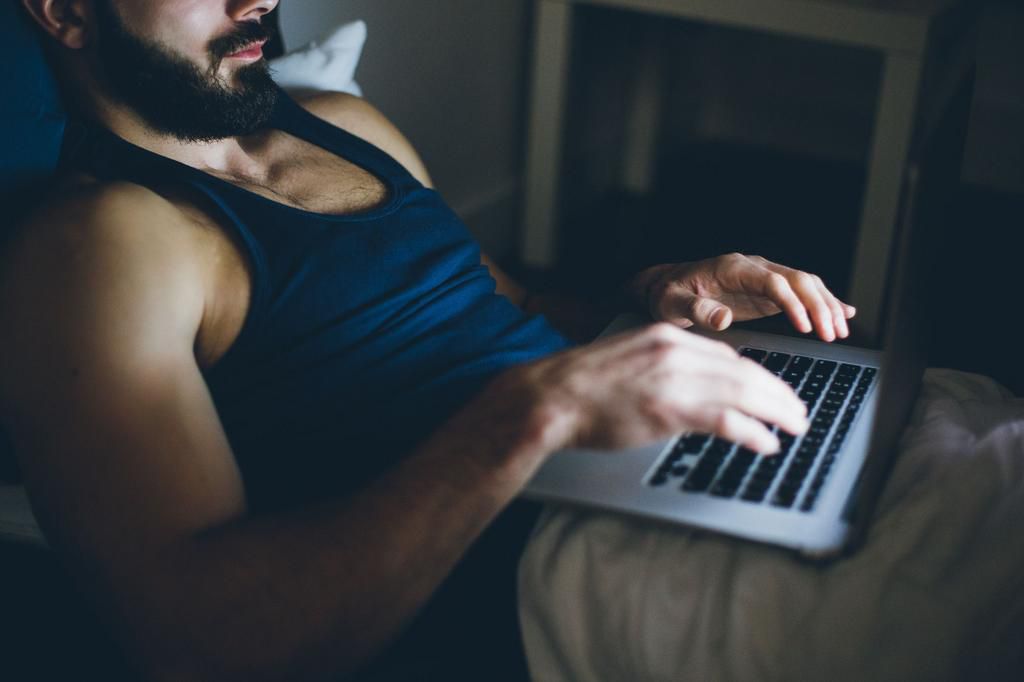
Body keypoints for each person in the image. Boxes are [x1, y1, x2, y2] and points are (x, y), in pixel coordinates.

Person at [1, 1, 856, 680]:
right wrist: (532, 414)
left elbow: (513, 305)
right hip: (553, 574)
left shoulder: (346, 125)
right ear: (66, 13)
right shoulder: (98, 245)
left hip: (639, 472)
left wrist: (652, 296)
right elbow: (196, 647)